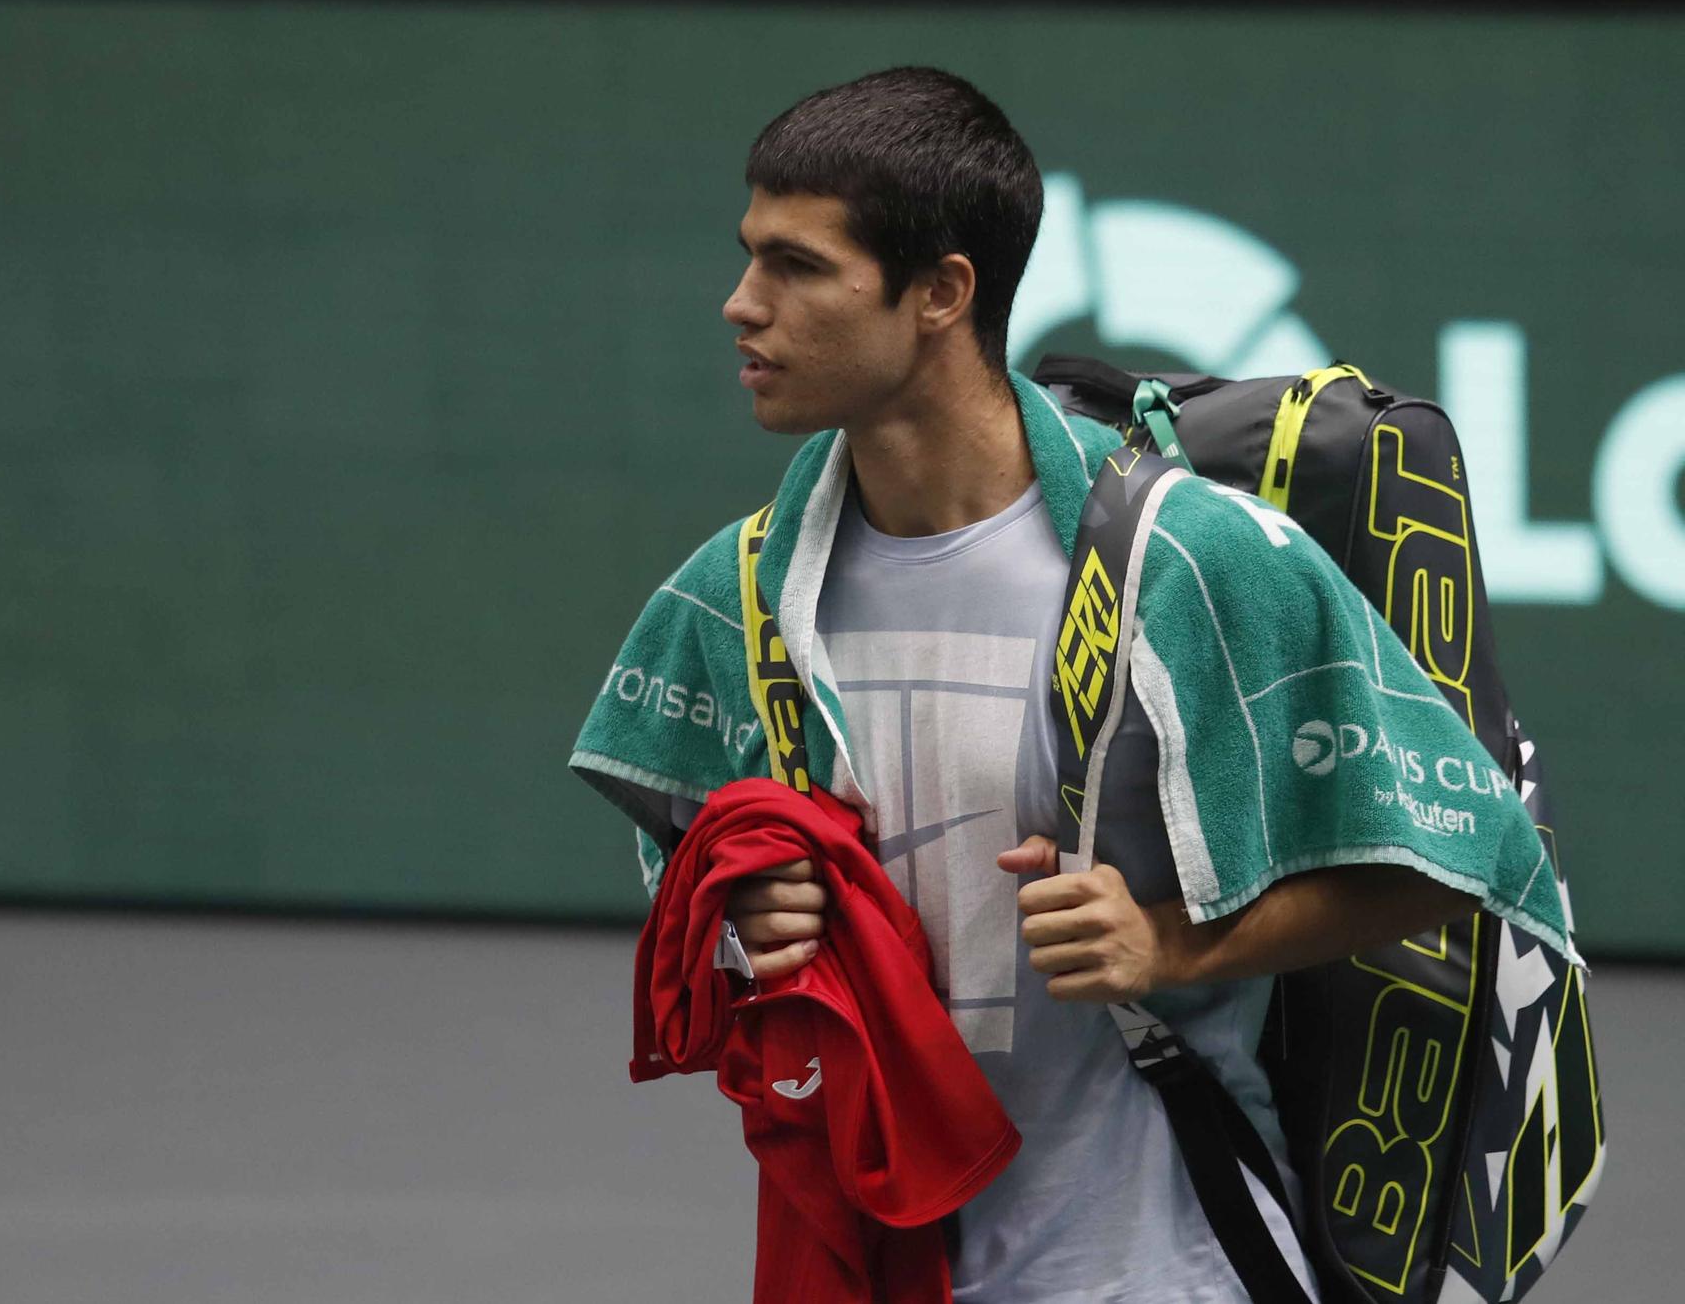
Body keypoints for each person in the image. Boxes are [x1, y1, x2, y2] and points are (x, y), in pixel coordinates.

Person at [570, 67, 1504, 1303]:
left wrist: (1169, 940)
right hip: (880, 1257)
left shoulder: (1194, 561)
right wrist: (746, 929)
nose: (740, 304)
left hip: (1160, 1263)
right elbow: (700, 901)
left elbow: (1452, 853)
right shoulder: (732, 591)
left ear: (941, 293)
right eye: (749, 257)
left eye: (796, 267)